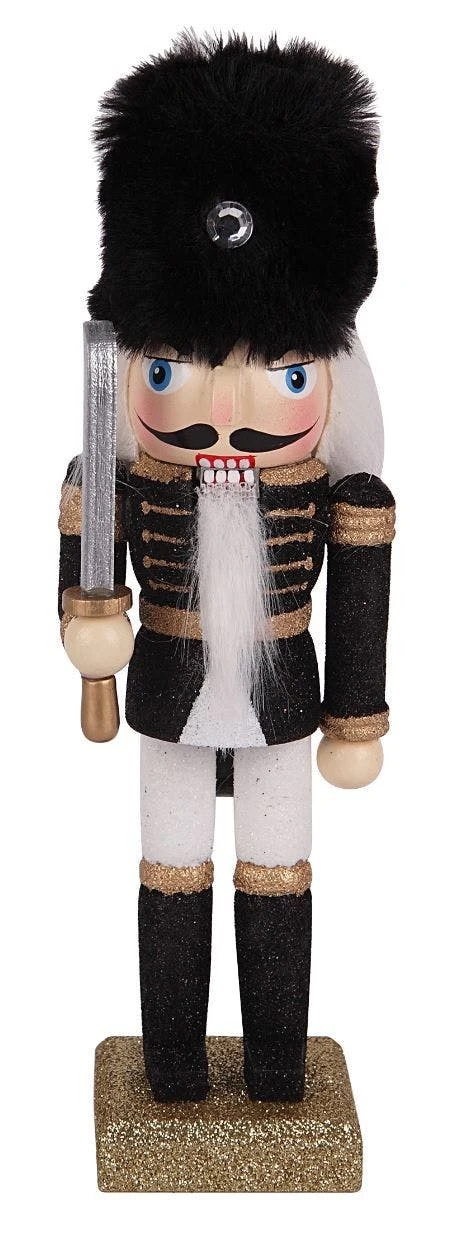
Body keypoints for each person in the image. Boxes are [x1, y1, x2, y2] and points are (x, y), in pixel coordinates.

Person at [59, 34, 395, 1103]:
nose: (223, 414)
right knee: (170, 862)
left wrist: (356, 716)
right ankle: (169, 1067)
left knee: (277, 862)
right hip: (166, 685)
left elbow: (364, 590)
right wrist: (88, 620)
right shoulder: (119, 468)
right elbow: (88, 545)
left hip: (284, 695)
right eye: (173, 371)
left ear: (329, 378)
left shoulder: (342, 491)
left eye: (283, 375)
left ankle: (277, 1066)